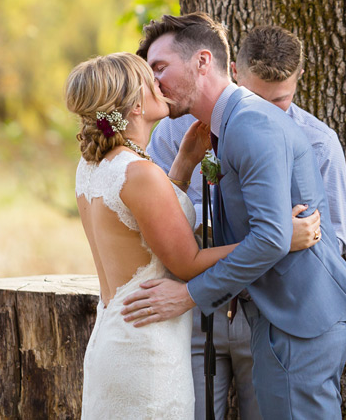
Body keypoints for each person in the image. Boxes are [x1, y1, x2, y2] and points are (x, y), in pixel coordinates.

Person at [120, 13, 346, 420]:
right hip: (276, 317)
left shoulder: (249, 123)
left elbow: (271, 238)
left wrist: (187, 295)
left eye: (160, 68)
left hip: (298, 320)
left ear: (202, 61)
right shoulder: (227, 123)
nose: (152, 83)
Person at [66, 52, 238, 419]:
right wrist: (274, 240)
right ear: (135, 105)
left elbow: (142, 231)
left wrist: (185, 165)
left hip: (115, 338)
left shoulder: (93, 166)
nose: (159, 84)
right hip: (146, 353)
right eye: (150, 78)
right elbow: (188, 264)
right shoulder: (139, 173)